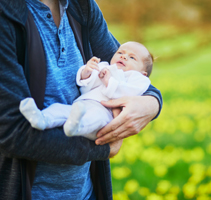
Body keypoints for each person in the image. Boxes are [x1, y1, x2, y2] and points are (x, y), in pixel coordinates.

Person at [0, 0, 162, 200]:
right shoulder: (5, 14)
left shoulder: (80, 5)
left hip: (86, 192)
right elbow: (11, 133)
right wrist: (102, 148)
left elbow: (127, 66)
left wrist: (153, 103)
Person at [19, 41, 153, 140]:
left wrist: (109, 82)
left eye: (132, 57)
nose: (124, 57)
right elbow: (85, 87)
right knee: (60, 109)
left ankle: (76, 128)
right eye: (120, 53)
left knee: (93, 118)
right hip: (82, 104)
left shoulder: (138, 79)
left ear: (143, 73)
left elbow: (128, 94)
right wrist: (87, 72)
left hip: (105, 113)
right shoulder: (105, 66)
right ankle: (41, 119)